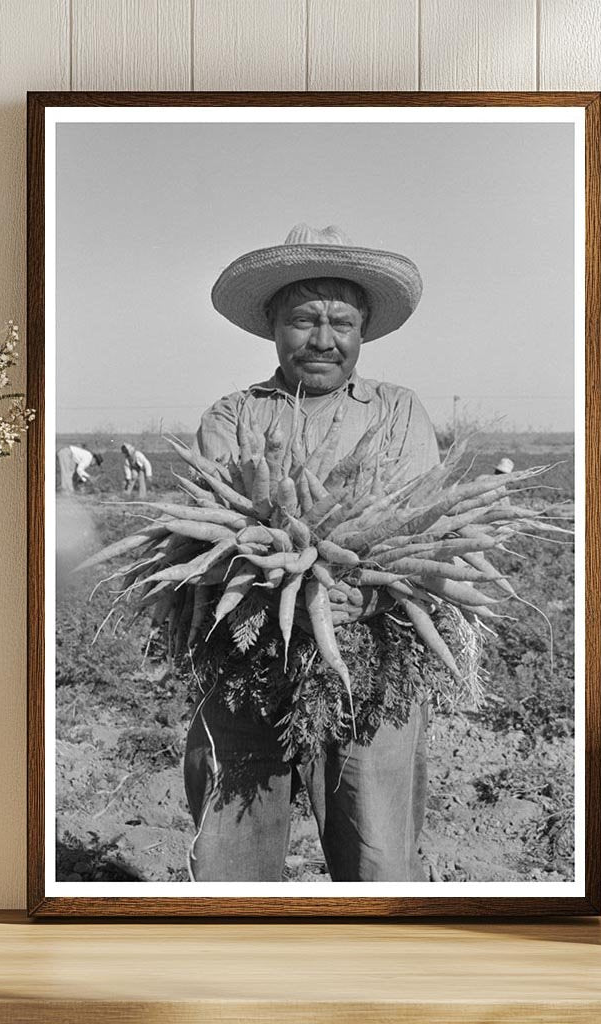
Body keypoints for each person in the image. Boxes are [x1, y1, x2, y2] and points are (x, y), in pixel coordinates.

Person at [183, 223, 441, 883]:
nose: (323, 339)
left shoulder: (399, 412)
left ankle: (379, 973)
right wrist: (280, 574)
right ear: (273, 324)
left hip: (372, 661)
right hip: (248, 654)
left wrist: (370, 587)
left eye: (342, 323)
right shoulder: (234, 416)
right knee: (231, 847)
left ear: (363, 332)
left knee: (379, 853)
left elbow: (421, 528)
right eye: (303, 319)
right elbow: (219, 527)